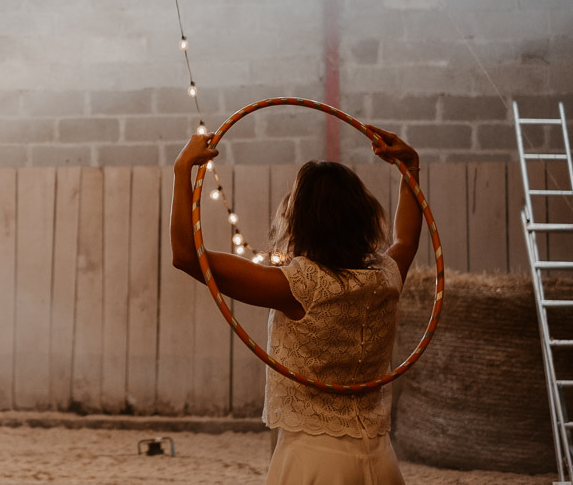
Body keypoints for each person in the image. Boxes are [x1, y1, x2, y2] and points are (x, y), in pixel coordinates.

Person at [169, 126, 423, 485]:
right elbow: (406, 238)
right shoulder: (386, 275)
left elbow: (186, 256)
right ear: (361, 215)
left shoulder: (297, 286)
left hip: (314, 460)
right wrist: (410, 168)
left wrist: (182, 169)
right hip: (379, 459)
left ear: (301, 219)